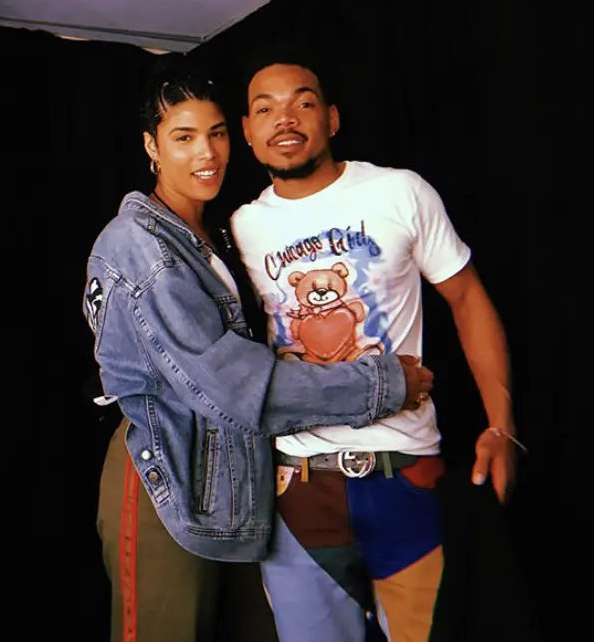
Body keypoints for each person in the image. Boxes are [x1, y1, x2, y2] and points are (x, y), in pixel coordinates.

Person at [83, 58, 435, 642]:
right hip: (165, 480)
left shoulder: (216, 232)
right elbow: (239, 388)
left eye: (217, 134)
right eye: (184, 137)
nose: (207, 154)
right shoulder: (141, 246)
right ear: (151, 147)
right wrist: (384, 384)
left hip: (232, 486)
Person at [230, 47, 520, 642]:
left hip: (404, 476)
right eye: (265, 109)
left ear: (331, 119)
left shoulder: (399, 192)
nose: (285, 119)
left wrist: (502, 424)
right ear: (249, 133)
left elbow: (468, 299)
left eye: (302, 103)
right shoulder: (240, 227)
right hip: (299, 490)